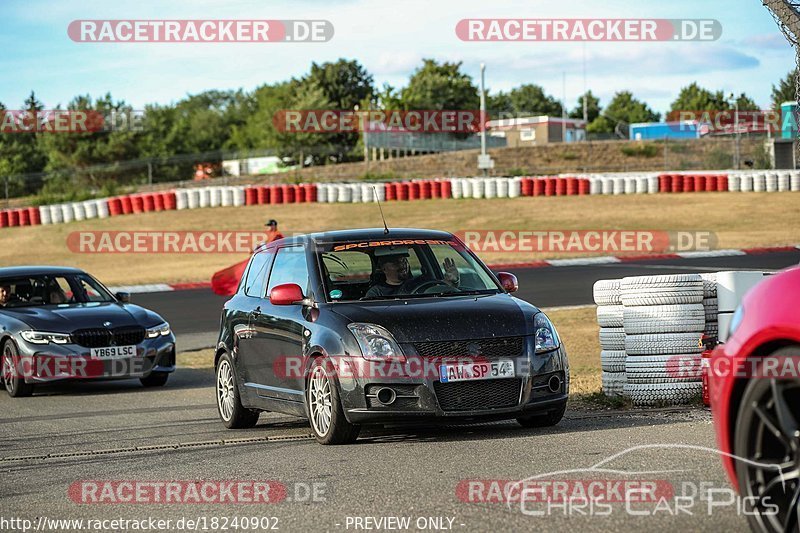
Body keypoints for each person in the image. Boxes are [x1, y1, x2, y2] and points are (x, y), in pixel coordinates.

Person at [364, 248, 460, 298]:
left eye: (404, 261)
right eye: (395, 263)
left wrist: (452, 281)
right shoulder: (376, 293)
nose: (402, 265)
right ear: (383, 268)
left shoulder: (422, 282)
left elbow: (439, 290)